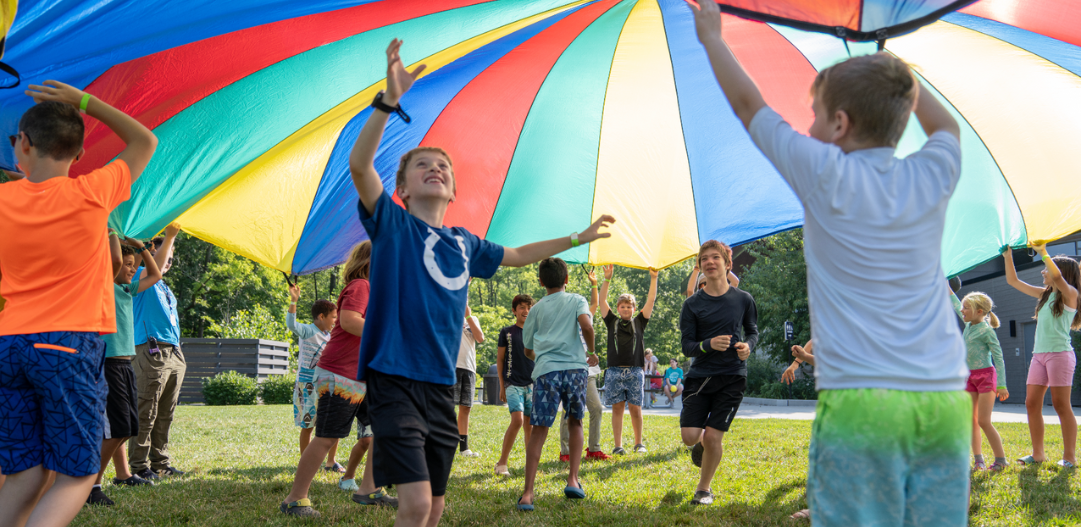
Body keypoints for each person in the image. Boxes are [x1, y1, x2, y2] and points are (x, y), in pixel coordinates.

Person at [688, 0, 970, 522]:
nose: (809, 127)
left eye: (814, 116)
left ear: (839, 124)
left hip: (862, 401)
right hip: (943, 400)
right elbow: (945, 127)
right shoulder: (932, 173)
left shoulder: (822, 172)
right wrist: (898, 71)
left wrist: (711, 38)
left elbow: (751, 107)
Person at [347, 39, 615, 527]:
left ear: (452, 189)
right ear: (403, 189)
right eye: (421, 164)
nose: (435, 167)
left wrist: (578, 236)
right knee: (415, 503)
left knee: (438, 504)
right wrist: (388, 101)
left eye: (443, 166)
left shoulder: (464, 243)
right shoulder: (393, 224)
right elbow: (361, 167)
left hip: (438, 384)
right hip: (393, 378)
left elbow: (515, 255)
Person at [0, 80, 157, 527]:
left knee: (24, 475)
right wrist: (83, 101)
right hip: (67, 346)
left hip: (10, 345)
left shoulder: (3, 199)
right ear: (80, 154)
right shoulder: (93, 191)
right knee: (78, 472)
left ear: (24, 144)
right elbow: (145, 140)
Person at [280, 241, 395, 517]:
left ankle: (369, 488)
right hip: (339, 376)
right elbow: (349, 321)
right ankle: (295, 499)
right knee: (326, 437)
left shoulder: (373, 291)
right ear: (369, 263)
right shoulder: (361, 286)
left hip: (359, 377)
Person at [678, 240, 758, 506]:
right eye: (704, 259)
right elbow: (688, 346)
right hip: (700, 376)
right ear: (699, 266)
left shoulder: (743, 299)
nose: (710, 262)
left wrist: (748, 346)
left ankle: (704, 489)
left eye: (715, 258)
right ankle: (701, 444)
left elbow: (753, 332)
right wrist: (708, 344)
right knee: (690, 436)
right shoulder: (692, 305)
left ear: (727, 264)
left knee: (714, 436)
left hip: (733, 375)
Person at [87, 239, 162, 506]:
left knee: (128, 426)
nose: (132, 269)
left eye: (134, 266)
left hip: (124, 364)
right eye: (128, 265)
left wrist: (142, 248)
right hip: (106, 364)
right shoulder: (103, 285)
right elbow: (116, 261)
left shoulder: (126, 290)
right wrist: (112, 234)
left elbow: (155, 274)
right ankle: (89, 485)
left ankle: (106, 479)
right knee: (117, 427)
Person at [517, 258, 596, 511]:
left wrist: (541, 357)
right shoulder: (577, 300)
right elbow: (586, 325)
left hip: (546, 371)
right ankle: (573, 480)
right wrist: (591, 351)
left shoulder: (536, 309)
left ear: (541, 282)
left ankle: (528, 493)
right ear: (567, 279)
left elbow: (528, 349)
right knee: (575, 421)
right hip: (575, 369)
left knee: (539, 429)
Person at [1004, 245, 1081, 468]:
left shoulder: (1071, 295)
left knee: (1060, 404)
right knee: (1031, 403)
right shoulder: (1045, 295)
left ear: (1061, 272)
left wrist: (1044, 251)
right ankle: (1038, 454)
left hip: (1060, 356)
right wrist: (1008, 256)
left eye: (1046, 268)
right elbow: (1013, 282)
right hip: (1039, 356)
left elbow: (1056, 275)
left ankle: (1070, 457)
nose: (1043, 271)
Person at [129, 223, 187, 481]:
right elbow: (156, 269)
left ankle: (160, 463)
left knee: (166, 413)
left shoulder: (166, 289)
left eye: (171, 260)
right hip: (151, 352)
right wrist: (170, 237)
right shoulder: (138, 276)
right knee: (147, 410)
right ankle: (139, 466)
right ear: (149, 253)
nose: (167, 263)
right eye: (164, 255)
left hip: (173, 353)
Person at [947, 287, 1010, 471]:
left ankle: (1000, 460)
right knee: (971, 420)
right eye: (963, 307)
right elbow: (955, 303)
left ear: (979, 312)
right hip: (969, 378)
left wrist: (1002, 385)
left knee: (983, 420)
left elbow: (999, 358)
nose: (962, 310)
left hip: (986, 378)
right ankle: (979, 460)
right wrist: (945, 284)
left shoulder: (987, 331)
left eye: (966, 308)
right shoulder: (968, 325)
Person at [598, 265, 659, 454]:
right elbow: (601, 300)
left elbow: (651, 299)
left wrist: (654, 278)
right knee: (617, 409)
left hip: (635, 371)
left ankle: (638, 443)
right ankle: (618, 446)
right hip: (615, 371)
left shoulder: (640, 321)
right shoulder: (612, 321)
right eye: (622, 306)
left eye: (629, 306)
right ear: (618, 308)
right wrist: (607, 279)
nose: (625, 309)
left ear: (634, 308)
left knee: (635, 408)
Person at [285, 284, 339, 467]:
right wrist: (294, 300)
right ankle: (306, 464)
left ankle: (331, 462)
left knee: (332, 424)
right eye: (333, 317)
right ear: (321, 317)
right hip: (306, 385)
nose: (334, 321)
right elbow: (291, 324)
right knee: (308, 426)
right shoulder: (308, 331)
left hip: (325, 384)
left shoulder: (331, 336)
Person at [559, 270, 609, 463]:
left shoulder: (587, 315)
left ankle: (594, 448)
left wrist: (595, 283)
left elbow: (595, 304)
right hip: (569, 368)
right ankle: (566, 452)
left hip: (587, 372)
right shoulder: (565, 319)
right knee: (568, 412)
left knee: (596, 408)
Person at [495, 294, 534, 476]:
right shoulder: (507, 332)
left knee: (530, 424)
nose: (525, 311)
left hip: (532, 384)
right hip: (512, 383)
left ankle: (530, 464)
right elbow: (500, 359)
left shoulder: (535, 331)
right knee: (517, 420)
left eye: (528, 307)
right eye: (521, 307)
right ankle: (502, 463)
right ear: (514, 310)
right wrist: (502, 385)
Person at [454, 303, 485, 458]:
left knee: (465, 408)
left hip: (469, 368)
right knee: (447, 407)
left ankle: (464, 448)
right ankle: (443, 443)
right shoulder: (448, 314)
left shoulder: (472, 319)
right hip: (451, 366)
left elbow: (480, 338)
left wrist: (468, 316)